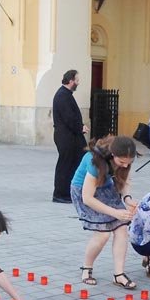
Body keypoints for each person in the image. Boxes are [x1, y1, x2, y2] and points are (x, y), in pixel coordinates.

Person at [71, 135, 138, 288]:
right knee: (103, 233)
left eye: (129, 162)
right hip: (84, 191)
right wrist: (115, 213)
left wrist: (127, 198)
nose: (125, 166)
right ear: (113, 154)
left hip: (106, 187)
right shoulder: (96, 162)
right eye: (122, 162)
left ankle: (119, 274)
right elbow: (87, 198)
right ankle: (86, 268)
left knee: (122, 229)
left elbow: (124, 180)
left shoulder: (125, 158)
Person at [52, 69, 87, 202]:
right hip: (65, 137)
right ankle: (60, 194)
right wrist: (80, 127)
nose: (78, 82)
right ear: (71, 81)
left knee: (76, 162)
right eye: (77, 80)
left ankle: (72, 191)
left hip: (72, 136)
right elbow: (68, 117)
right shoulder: (62, 95)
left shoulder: (66, 94)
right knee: (65, 165)